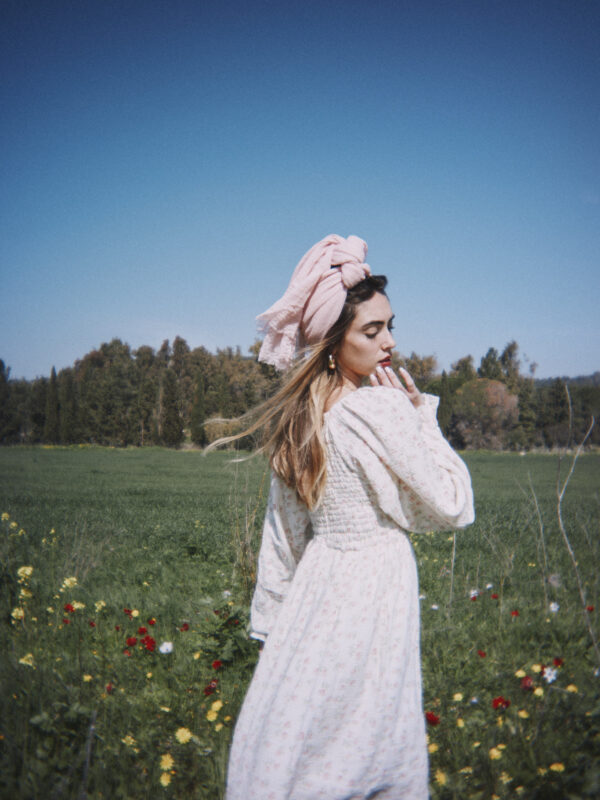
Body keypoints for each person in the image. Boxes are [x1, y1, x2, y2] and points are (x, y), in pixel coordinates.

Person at [220, 234, 474, 799]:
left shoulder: (300, 419)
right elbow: (453, 504)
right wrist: (421, 418)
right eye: (372, 330)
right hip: (374, 587)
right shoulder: (378, 409)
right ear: (334, 344)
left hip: (317, 586)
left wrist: (273, 630)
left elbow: (283, 538)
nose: (390, 342)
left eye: (390, 326)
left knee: (306, 724)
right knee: (370, 736)